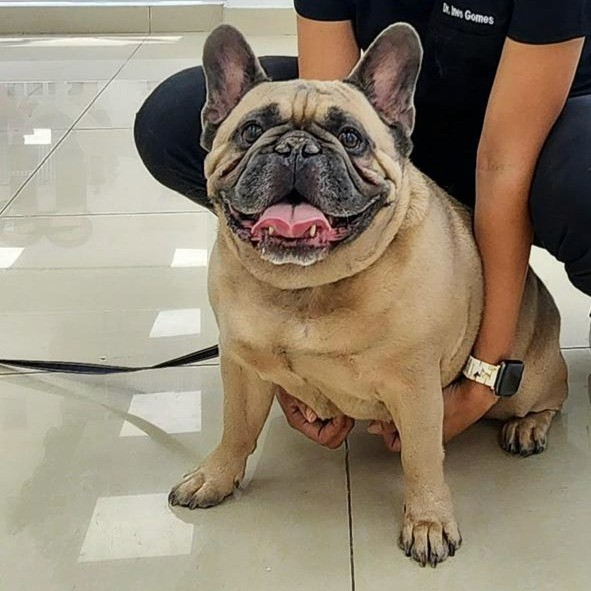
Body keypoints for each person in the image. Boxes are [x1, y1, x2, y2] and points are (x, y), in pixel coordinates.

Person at [134, 0, 591, 452]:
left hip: (532, 127)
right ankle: (302, 271)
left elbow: (502, 165)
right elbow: (330, 101)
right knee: (169, 121)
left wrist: (485, 380)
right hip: (385, 130)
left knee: (581, 184)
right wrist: (295, 369)